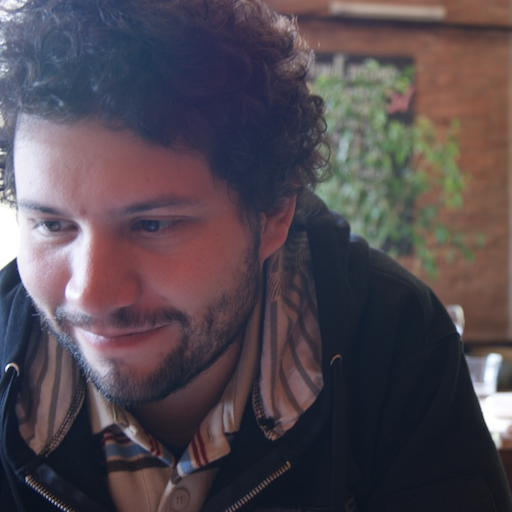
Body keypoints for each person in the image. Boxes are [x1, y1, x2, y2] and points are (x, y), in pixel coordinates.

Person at [0, 0, 510, 511]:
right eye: (51, 225)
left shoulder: (396, 344)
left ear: (273, 213)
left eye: (153, 225)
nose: (90, 293)